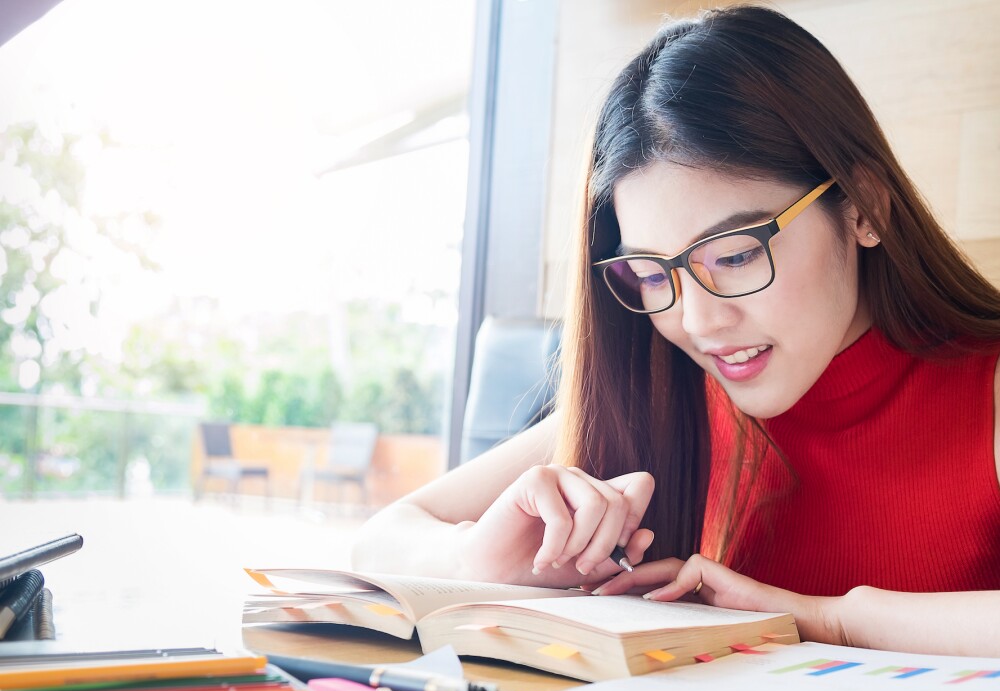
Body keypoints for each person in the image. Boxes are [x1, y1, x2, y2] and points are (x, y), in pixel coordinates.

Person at [353, 5, 1000, 657]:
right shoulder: (664, 397)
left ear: (864, 209)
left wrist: (829, 620)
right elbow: (379, 538)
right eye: (652, 274)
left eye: (737, 254)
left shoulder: (985, 390)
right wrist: (475, 557)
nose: (697, 322)